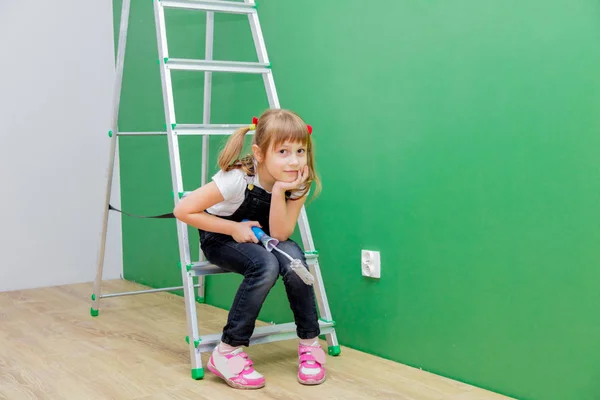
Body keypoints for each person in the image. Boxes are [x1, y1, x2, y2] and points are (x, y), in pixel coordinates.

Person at [173, 108, 326, 389]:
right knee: (265, 265)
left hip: (263, 235)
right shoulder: (236, 179)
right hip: (221, 237)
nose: (294, 161)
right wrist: (234, 228)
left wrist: (280, 191)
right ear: (259, 153)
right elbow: (183, 209)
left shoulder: (297, 181)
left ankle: (309, 344)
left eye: (300, 151)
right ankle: (227, 351)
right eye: (283, 152)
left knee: (295, 262)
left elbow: (280, 234)